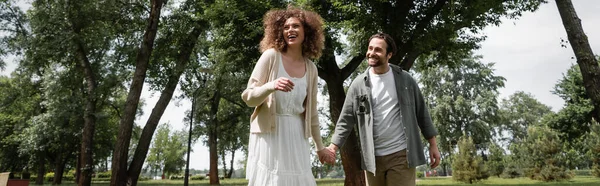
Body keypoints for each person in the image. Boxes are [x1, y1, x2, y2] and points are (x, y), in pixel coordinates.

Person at [324, 33, 441, 186]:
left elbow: (422, 113)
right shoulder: (358, 84)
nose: (372, 53)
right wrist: (333, 147)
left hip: (401, 154)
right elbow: (346, 119)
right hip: (372, 159)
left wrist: (433, 145)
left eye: (378, 50)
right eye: (370, 48)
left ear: (389, 54)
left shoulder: (405, 80)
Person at [241, 6, 334, 186]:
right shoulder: (271, 57)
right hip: (270, 135)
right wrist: (271, 86)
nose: (290, 30)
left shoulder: (311, 69)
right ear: (279, 32)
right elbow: (249, 97)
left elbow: (312, 113)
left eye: (296, 26)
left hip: (297, 135)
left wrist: (320, 147)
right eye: (285, 27)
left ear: (306, 31)